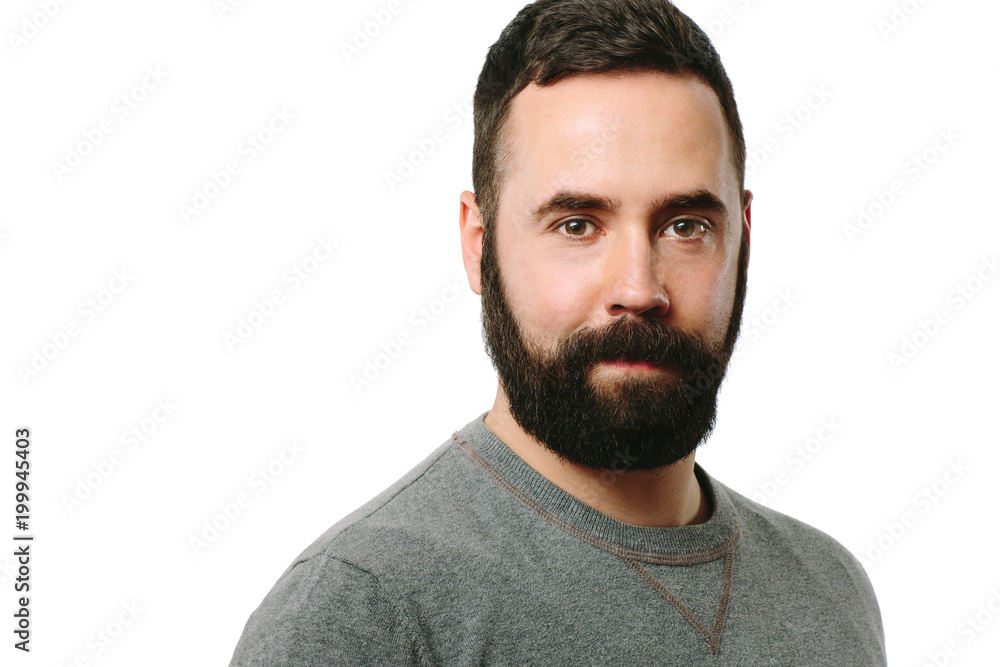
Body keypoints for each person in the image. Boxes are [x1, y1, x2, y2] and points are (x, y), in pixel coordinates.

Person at [229, 0, 886, 663]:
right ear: (478, 246)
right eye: (577, 224)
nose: (638, 288)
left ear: (743, 237)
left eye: (685, 225)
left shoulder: (829, 590)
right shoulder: (360, 613)